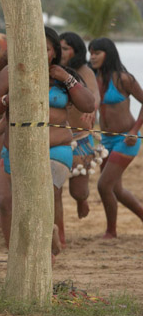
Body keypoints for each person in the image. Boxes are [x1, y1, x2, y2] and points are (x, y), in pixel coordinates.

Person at [0, 27, 94, 250]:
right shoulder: (11, 72)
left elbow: (88, 104)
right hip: (16, 149)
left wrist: (66, 78)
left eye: (44, 49)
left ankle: (46, 250)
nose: (38, 54)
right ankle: (15, 256)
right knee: (6, 204)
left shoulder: (64, 76)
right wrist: (7, 99)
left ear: (53, 52)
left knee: (42, 201)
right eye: (33, 48)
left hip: (55, 148)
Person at [89, 37, 143, 238]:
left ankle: (111, 231)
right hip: (106, 140)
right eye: (91, 53)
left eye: (97, 53)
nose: (92, 57)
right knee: (117, 190)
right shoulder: (93, 78)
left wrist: (134, 130)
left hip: (126, 139)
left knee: (104, 185)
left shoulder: (124, 79)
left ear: (108, 54)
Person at [58, 32, 100, 221]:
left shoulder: (85, 70)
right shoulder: (54, 70)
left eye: (66, 48)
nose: (62, 51)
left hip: (80, 137)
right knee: (54, 190)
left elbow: (95, 94)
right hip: (56, 136)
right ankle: (61, 235)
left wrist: (92, 109)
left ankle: (81, 200)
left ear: (76, 51)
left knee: (79, 191)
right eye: (60, 48)